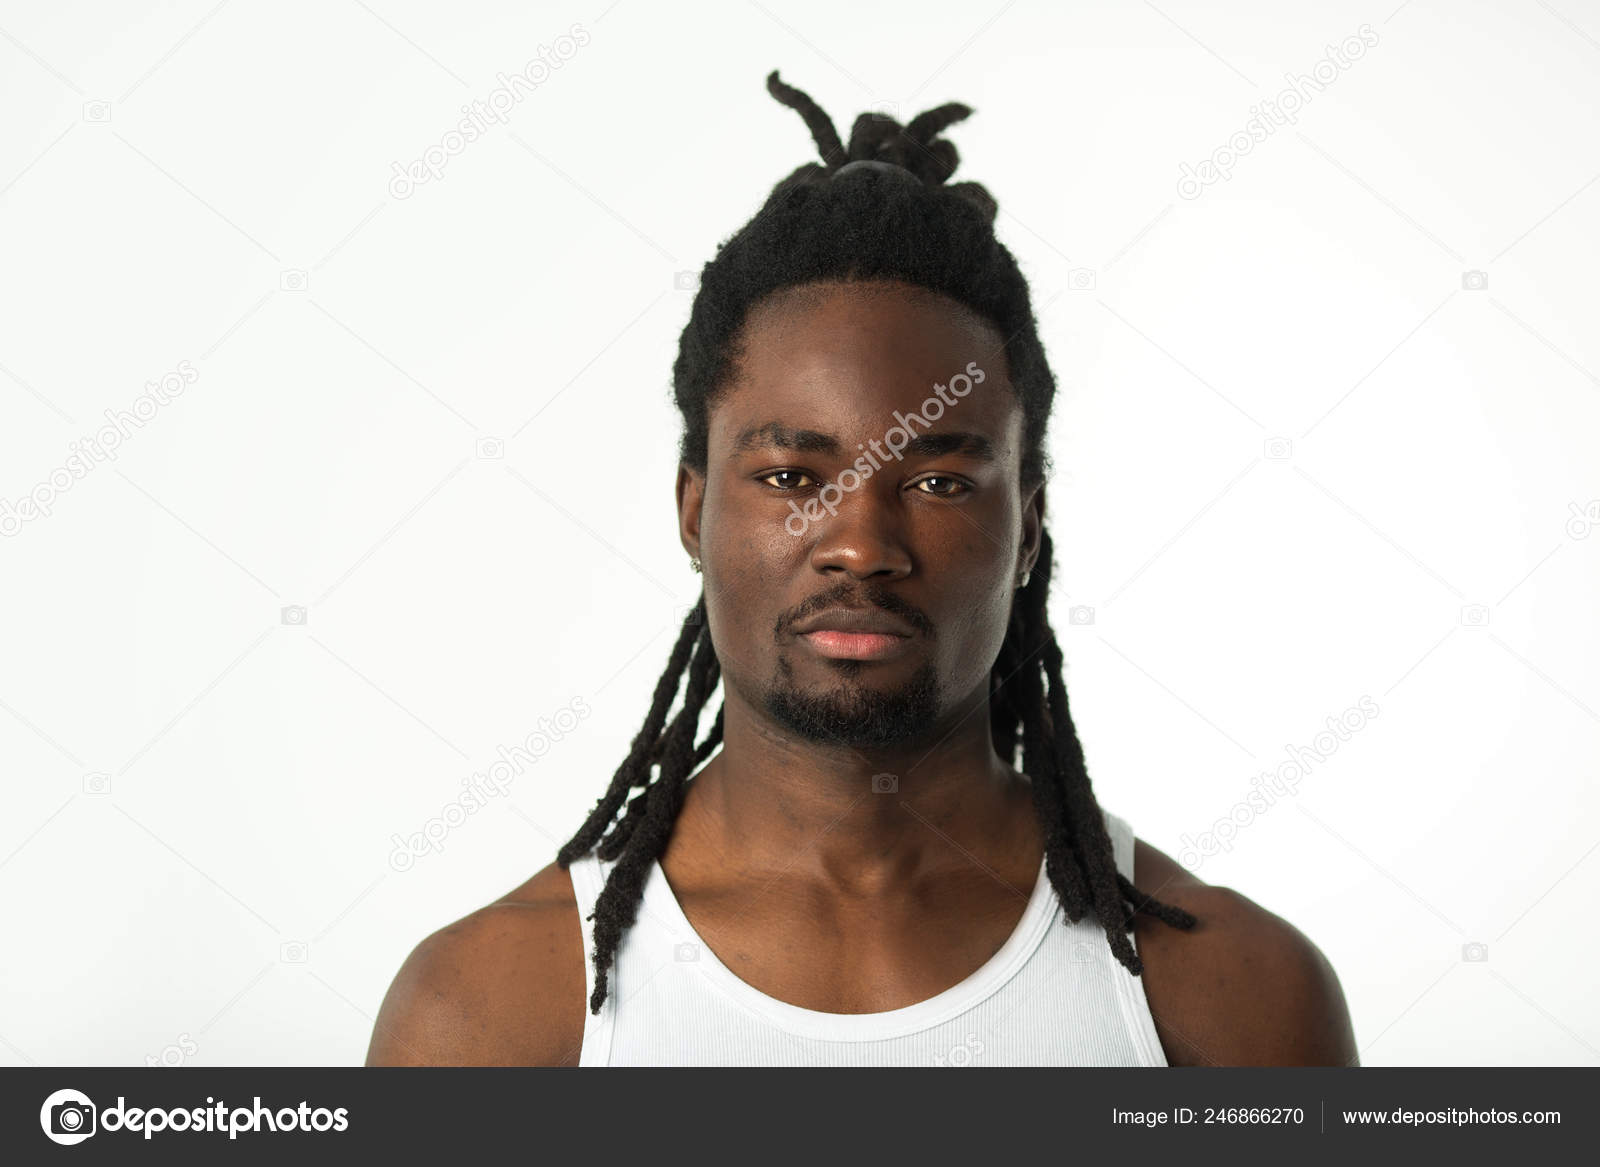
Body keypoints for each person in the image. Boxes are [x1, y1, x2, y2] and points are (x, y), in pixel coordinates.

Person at [367, 70, 1357, 1067]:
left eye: (938, 483)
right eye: (793, 474)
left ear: (1029, 530)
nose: (860, 545)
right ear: (694, 508)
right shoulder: (491, 1010)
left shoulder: (1232, 997)